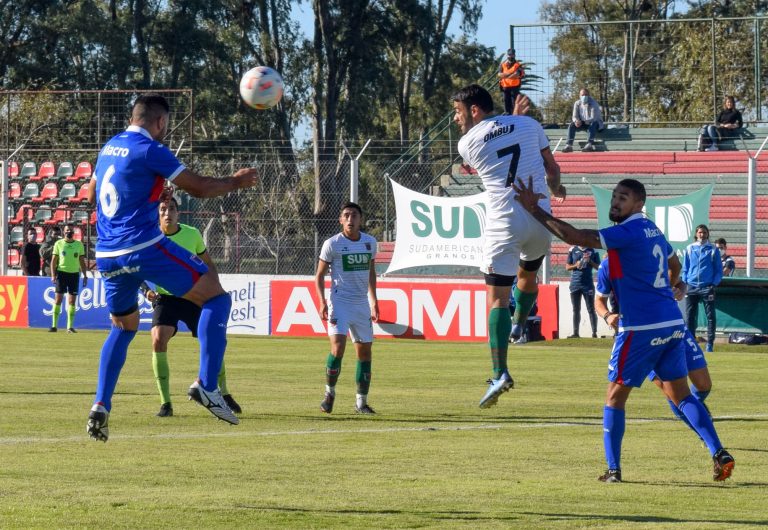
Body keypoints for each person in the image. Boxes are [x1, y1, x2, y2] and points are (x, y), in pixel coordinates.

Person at [513, 176, 734, 482]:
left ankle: (614, 470)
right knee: (682, 395)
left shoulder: (629, 231)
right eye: (615, 196)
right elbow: (674, 267)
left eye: (624, 198)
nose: (616, 202)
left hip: (641, 327)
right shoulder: (652, 229)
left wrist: (534, 210)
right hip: (671, 323)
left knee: (615, 397)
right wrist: (672, 287)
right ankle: (719, 451)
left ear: (638, 204)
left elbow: (577, 236)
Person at [85, 94, 258, 442]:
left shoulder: (110, 146)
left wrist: (145, 192)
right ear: (160, 122)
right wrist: (236, 181)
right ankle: (207, 386)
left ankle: (100, 404)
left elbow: (90, 196)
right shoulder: (151, 150)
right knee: (216, 298)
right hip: (142, 247)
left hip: (106, 253)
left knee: (124, 327)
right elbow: (200, 187)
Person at [451, 84, 565, 409]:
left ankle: (499, 372)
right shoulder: (531, 124)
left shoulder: (466, 144)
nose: (457, 120)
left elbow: (496, 144)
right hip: (541, 218)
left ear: (475, 110)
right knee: (529, 275)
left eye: (459, 113)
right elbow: (552, 169)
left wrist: (508, 121)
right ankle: (519, 324)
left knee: (497, 299)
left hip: (504, 223)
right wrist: (557, 190)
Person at [141, 196, 241, 418]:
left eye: (172, 209)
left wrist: (215, 292)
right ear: (157, 213)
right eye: (163, 209)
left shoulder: (192, 234)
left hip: (194, 295)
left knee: (212, 339)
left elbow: (208, 264)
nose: (168, 213)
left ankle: (222, 392)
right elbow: (135, 268)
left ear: (179, 212)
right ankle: (165, 403)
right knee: (157, 338)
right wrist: (145, 290)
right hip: (166, 298)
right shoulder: (149, 236)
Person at [596, 255, 714, 440]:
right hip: (639, 337)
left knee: (704, 384)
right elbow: (599, 300)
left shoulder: (650, 259)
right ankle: (703, 433)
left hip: (673, 326)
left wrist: (680, 289)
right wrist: (608, 315)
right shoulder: (610, 264)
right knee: (672, 391)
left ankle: (694, 410)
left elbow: (680, 282)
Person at [315, 202, 379, 415]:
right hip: (339, 303)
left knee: (365, 353)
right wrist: (323, 301)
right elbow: (319, 275)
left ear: (361, 219)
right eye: (346, 215)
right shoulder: (332, 244)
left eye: (354, 215)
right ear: (341, 220)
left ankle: (361, 403)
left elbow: (371, 271)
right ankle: (329, 393)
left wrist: (374, 300)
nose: (350, 219)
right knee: (338, 348)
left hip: (361, 304)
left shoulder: (370, 243)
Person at [681, 224, 722, 353]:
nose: (702, 235)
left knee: (710, 316)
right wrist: (685, 281)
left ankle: (709, 344)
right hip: (691, 286)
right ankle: (691, 342)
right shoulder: (689, 248)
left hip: (707, 287)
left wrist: (713, 284)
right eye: (700, 232)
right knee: (689, 316)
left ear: (707, 234)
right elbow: (685, 268)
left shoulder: (713, 249)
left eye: (704, 232)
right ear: (696, 234)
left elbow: (718, 270)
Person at [49, 225, 87, 333]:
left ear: (73, 232)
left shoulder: (79, 245)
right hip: (62, 274)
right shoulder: (59, 244)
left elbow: (82, 261)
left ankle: (69, 327)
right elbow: (53, 261)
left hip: (74, 274)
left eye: (70, 230)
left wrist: (85, 275)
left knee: (72, 301)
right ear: (64, 232)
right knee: (58, 299)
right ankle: (54, 326)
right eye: (67, 230)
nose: (69, 232)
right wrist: (53, 275)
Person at [565, 245, 600, 338]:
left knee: (591, 309)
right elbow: (567, 267)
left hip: (588, 284)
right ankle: (575, 333)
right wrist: (575, 265)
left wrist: (590, 261)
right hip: (575, 284)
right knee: (576, 309)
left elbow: (599, 267)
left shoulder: (593, 249)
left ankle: (594, 333)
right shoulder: (572, 249)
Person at [563, 88, 603, 153]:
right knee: (572, 125)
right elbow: (574, 116)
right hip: (583, 123)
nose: (584, 96)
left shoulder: (594, 103)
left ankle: (589, 144)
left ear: (589, 95)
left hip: (594, 124)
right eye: (582, 95)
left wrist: (583, 121)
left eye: (586, 94)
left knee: (594, 123)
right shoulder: (577, 103)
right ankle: (569, 145)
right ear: (579, 95)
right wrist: (576, 121)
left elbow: (594, 118)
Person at [497, 48, 524, 115]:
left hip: (514, 88)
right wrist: (510, 74)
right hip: (505, 88)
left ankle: (514, 118)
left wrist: (505, 75)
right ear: (507, 55)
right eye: (509, 55)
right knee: (506, 104)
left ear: (514, 55)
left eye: (512, 55)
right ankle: (507, 116)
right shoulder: (503, 64)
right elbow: (499, 74)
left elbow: (517, 75)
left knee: (514, 104)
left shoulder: (517, 65)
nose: (510, 56)